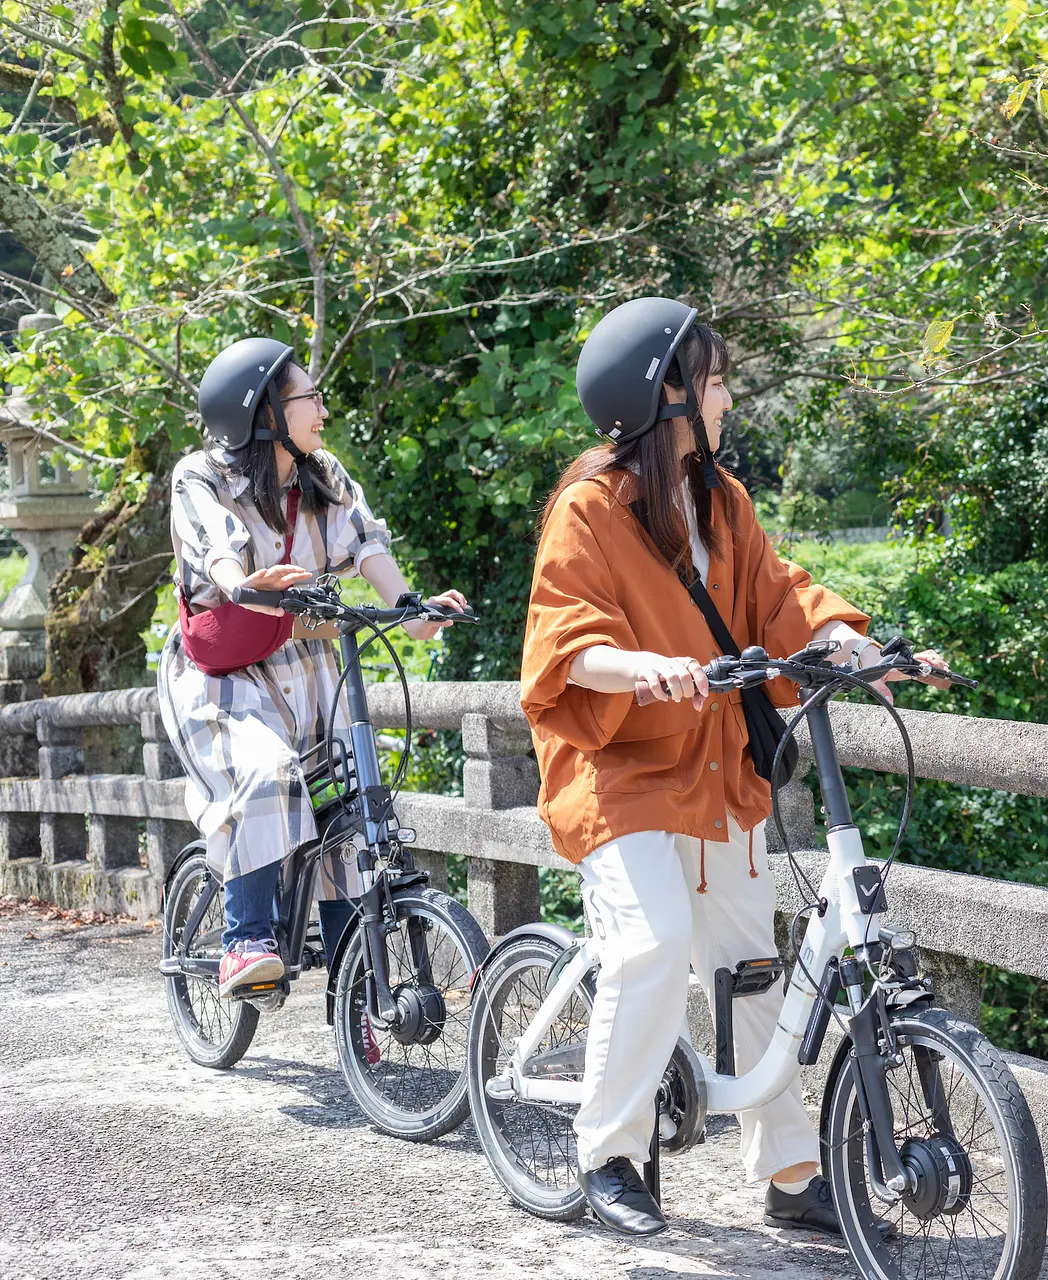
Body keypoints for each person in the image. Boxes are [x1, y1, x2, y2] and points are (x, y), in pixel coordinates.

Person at [520, 298, 949, 1237]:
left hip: (714, 765)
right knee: (651, 943)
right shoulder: (589, 508)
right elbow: (566, 644)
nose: (726, 398)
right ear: (664, 394)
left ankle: (792, 1172)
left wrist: (847, 641)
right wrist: (644, 669)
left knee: (753, 969)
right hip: (620, 765)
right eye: (713, 380)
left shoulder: (722, 499)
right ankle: (608, 1152)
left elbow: (777, 594)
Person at [157, 337, 466, 1006]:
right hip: (227, 675)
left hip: (310, 659)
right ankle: (245, 937)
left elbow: (368, 547)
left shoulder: (322, 473)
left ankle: (356, 993)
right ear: (265, 409)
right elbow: (218, 548)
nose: (322, 409)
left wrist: (415, 611)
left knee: (352, 800)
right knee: (267, 772)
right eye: (309, 398)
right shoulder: (200, 476)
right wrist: (242, 583)